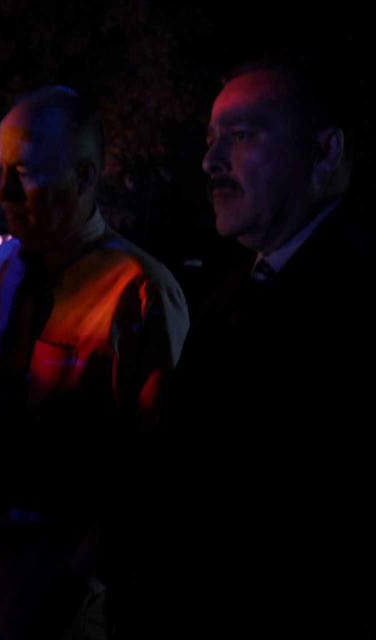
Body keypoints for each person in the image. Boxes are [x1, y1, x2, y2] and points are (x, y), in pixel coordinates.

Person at [0, 86, 190, 639]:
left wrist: (77, 583)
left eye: (22, 172)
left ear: (85, 175)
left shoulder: (136, 291)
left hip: (54, 574)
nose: (1, 192)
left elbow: (155, 461)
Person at [135, 59, 374, 638]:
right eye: (212, 139)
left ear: (325, 152)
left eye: (241, 137)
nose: (210, 162)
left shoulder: (358, 300)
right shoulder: (235, 292)